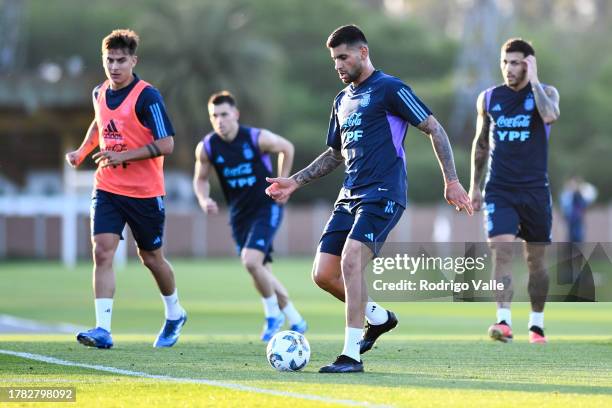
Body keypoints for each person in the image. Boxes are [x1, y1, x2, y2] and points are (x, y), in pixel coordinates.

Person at [266, 25, 472, 373]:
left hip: (384, 193)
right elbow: (334, 154)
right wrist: (294, 182)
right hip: (349, 195)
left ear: (363, 52)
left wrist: (451, 180)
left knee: (350, 262)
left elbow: (434, 128)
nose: (338, 65)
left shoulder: (391, 89)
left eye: (343, 57)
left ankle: (350, 356)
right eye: (334, 60)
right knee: (323, 274)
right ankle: (378, 318)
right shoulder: (341, 101)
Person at [65, 29, 187, 349]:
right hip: (107, 187)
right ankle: (102, 329)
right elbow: (99, 122)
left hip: (145, 192)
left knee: (151, 257)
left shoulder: (148, 97)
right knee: (102, 250)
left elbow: (166, 144)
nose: (115, 66)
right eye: (109, 60)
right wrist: (82, 151)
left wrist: (123, 155)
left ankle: (174, 313)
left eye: (121, 60)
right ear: (103, 60)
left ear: (133, 60)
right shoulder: (99, 92)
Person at [193, 91, 307, 341]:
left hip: (266, 208)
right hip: (239, 215)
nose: (220, 120)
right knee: (260, 269)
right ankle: (296, 318)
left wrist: (283, 183)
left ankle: (272, 315)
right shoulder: (208, 146)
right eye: (214, 116)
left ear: (235, 114)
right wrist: (203, 199)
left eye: (224, 114)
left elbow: (287, 148)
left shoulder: (255, 138)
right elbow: (200, 179)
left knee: (251, 261)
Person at [469, 38, 560, 344]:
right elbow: (481, 144)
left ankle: (536, 325)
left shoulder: (545, 93)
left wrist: (534, 80)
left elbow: (549, 116)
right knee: (502, 250)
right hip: (500, 190)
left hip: (535, 191)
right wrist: (475, 187)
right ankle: (503, 321)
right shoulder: (489, 98)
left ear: (529, 63)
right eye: (505, 62)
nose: (509, 68)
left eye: (517, 62)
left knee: (536, 261)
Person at [560, 176, 597, 242]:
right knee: (571, 238)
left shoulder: (578, 195)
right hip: (571, 220)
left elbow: (583, 204)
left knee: (577, 238)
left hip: (577, 220)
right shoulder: (569, 195)